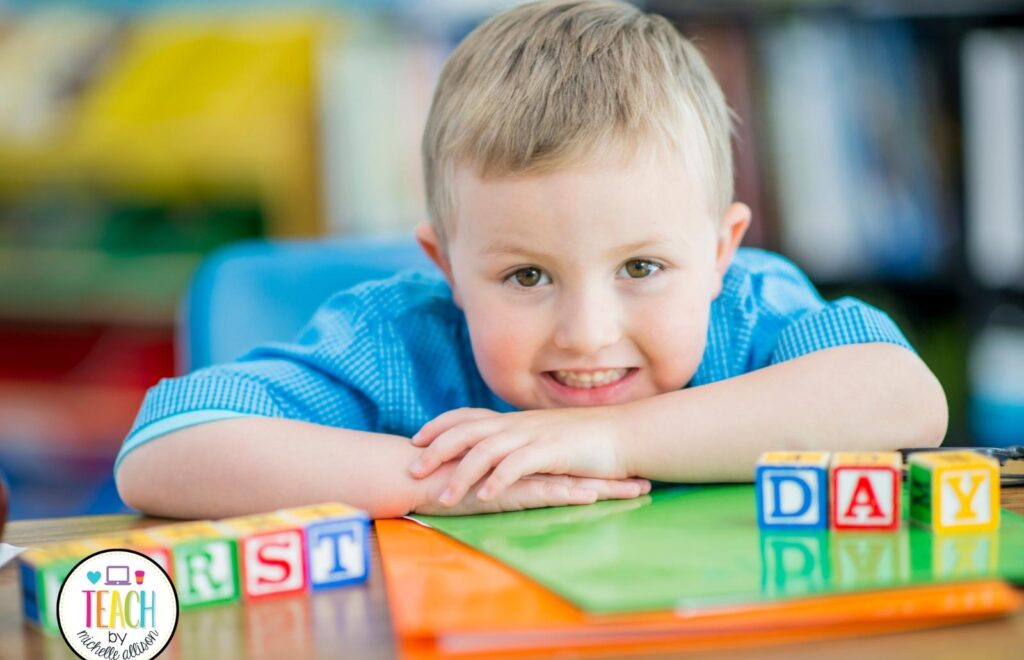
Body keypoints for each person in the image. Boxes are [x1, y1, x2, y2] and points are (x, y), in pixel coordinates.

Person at [115, 0, 947, 520]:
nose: (587, 335)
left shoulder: (747, 311)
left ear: (723, 250)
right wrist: (443, 479)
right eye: (526, 276)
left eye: (642, 269)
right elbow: (164, 446)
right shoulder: (404, 343)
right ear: (447, 269)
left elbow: (907, 400)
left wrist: (610, 440)